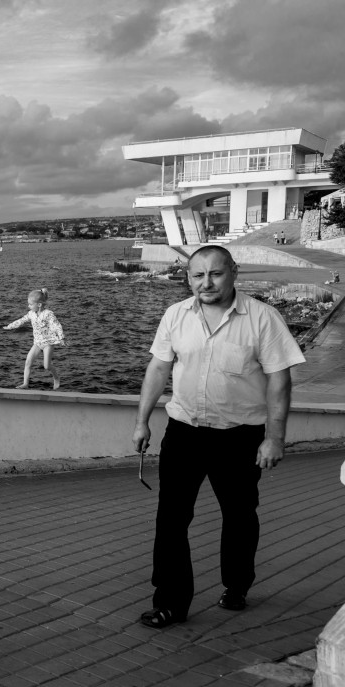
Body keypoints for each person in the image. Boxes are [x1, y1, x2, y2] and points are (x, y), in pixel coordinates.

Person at [131, 245, 305, 629]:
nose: (206, 283)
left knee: (240, 516)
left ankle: (237, 585)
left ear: (234, 272)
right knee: (171, 520)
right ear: (188, 277)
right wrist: (142, 421)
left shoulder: (263, 318)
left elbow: (279, 379)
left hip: (240, 437)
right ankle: (170, 602)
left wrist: (274, 438)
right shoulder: (175, 315)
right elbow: (158, 369)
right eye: (197, 275)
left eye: (215, 273)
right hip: (184, 433)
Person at [2, 288, 65, 390]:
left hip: (48, 343)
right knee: (28, 362)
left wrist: (61, 338)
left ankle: (56, 377)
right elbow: (22, 320)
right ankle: (25, 384)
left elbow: (56, 325)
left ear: (39, 305)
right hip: (37, 343)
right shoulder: (31, 314)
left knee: (46, 366)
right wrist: (10, 326)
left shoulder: (48, 314)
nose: (28, 306)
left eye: (30, 304)